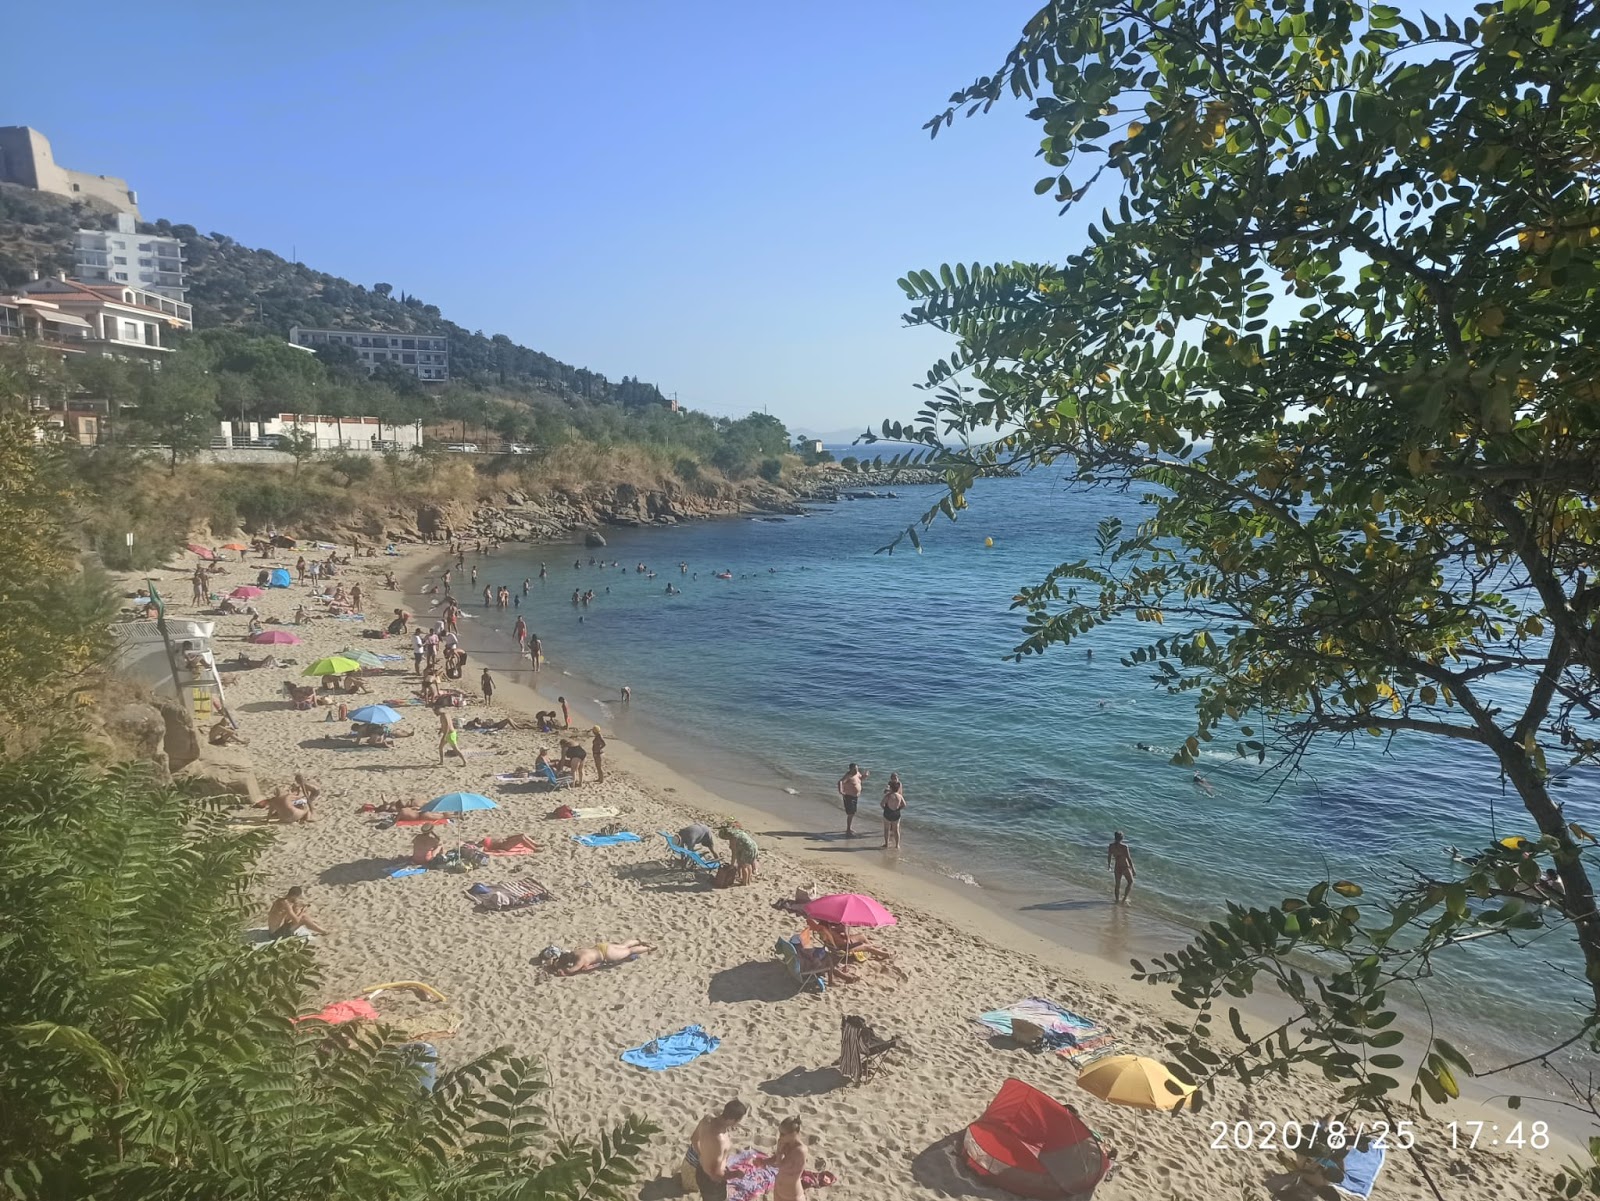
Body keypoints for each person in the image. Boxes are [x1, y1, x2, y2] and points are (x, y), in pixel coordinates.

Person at [680, 1100, 747, 1198]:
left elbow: (694, 1139)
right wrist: (736, 1174)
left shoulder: (706, 1120)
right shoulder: (721, 1141)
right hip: (712, 1183)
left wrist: (703, 1156)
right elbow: (715, 1175)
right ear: (734, 1120)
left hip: (700, 1171)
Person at [545, 940, 656, 976]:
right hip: (602, 946)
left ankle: (647, 948)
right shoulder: (576, 952)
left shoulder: (580, 960)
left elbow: (570, 970)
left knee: (629, 951)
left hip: (606, 955)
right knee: (623, 945)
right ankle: (639, 940)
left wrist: (558, 968)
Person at [772, 1116, 808, 1201]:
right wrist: (763, 1162)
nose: (780, 1137)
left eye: (783, 1134)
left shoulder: (800, 1151)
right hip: (779, 1191)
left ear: (794, 1133)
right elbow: (776, 1159)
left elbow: (780, 1165)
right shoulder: (788, 1144)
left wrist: (779, 1150)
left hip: (791, 1196)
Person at [838, 763, 868, 838]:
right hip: (849, 796)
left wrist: (865, 776)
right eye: (855, 769)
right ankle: (848, 830)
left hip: (855, 797)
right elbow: (840, 782)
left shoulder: (857, 773)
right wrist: (841, 791)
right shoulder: (848, 776)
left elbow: (860, 779)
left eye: (857, 768)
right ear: (850, 769)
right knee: (850, 813)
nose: (856, 770)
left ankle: (849, 828)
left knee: (853, 813)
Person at [1108, 831, 1136, 904]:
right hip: (1125, 866)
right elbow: (1129, 858)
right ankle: (1124, 899)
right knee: (1130, 882)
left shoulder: (1111, 846)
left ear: (1115, 837)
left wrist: (1109, 865)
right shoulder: (1124, 847)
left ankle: (1117, 900)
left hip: (1117, 866)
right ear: (1122, 838)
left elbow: (1109, 856)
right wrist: (1133, 869)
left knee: (1117, 884)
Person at [881, 772, 907, 848]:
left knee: (887, 829)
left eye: (895, 777)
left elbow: (881, 804)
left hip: (890, 809)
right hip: (896, 808)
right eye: (893, 777)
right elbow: (904, 804)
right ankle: (897, 845)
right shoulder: (892, 786)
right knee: (896, 829)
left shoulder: (898, 784)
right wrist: (898, 809)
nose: (894, 779)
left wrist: (885, 809)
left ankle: (887, 844)